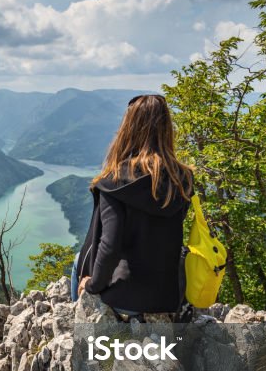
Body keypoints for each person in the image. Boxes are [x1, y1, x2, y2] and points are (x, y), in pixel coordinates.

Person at [71, 94, 194, 322]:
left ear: (129, 129)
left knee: (78, 261)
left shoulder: (115, 180)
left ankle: (80, 325)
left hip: (125, 296)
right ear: (167, 130)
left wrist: (92, 285)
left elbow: (109, 246)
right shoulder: (182, 180)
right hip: (168, 295)